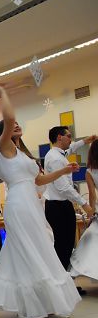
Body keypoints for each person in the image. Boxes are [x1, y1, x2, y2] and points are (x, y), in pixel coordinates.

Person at [0, 86, 81, 318]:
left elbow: (38, 180)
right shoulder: (3, 149)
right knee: (30, 252)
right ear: (1, 133)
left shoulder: (21, 153)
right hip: (19, 205)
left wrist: (63, 171)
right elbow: (10, 118)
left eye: (16, 126)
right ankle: (29, 312)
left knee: (40, 250)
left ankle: (46, 305)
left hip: (32, 205)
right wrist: (1, 93)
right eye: (10, 126)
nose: (15, 126)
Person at [44, 126, 97, 295]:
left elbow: (72, 147)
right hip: (58, 206)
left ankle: (65, 284)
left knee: (66, 245)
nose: (71, 139)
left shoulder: (59, 154)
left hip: (60, 205)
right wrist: (84, 204)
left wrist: (86, 141)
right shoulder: (56, 159)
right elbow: (63, 188)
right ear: (60, 138)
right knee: (63, 246)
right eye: (68, 136)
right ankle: (61, 286)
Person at [70, 140, 98, 279]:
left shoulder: (90, 172)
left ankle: (79, 270)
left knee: (91, 238)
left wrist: (91, 213)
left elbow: (92, 195)